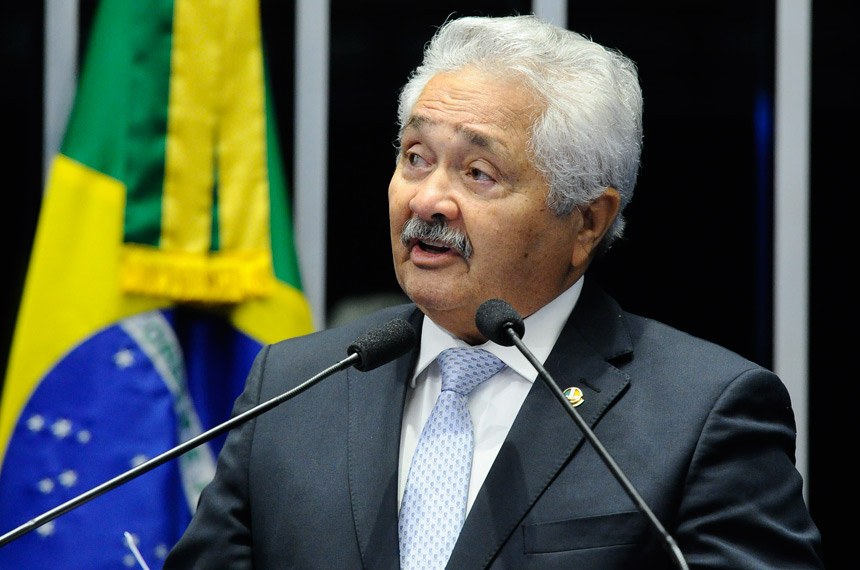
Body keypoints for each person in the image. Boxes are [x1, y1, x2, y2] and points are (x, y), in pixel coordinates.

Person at [164, 14, 824, 569]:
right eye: (415, 157)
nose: (428, 199)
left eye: (479, 172)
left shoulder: (701, 415)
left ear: (587, 221)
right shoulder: (292, 388)